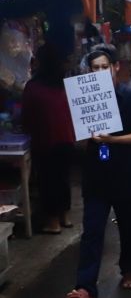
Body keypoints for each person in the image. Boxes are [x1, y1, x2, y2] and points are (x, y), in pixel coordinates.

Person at [66, 45, 131, 298]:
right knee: (92, 230)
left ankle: (130, 269)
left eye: (105, 67)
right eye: (95, 68)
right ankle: (85, 285)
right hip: (96, 175)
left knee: (129, 226)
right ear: (89, 71)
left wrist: (112, 140)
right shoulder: (84, 99)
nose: (100, 72)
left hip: (125, 173)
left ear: (115, 68)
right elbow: (77, 141)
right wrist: (87, 138)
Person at [22, 42, 75, 234]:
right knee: (62, 178)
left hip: (46, 141)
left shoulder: (33, 87)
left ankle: (52, 223)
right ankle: (65, 216)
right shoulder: (64, 84)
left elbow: (26, 117)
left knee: (48, 181)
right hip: (67, 139)